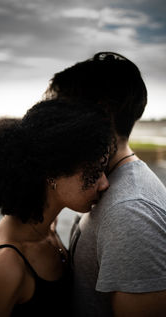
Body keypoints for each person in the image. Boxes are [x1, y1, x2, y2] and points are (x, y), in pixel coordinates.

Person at [0, 99, 114, 317]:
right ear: (52, 172)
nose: (104, 183)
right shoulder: (3, 264)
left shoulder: (47, 227)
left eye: (104, 170)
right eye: (93, 172)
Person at [45, 52, 166, 316]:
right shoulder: (105, 183)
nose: (59, 119)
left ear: (103, 111)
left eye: (66, 107)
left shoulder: (130, 212)